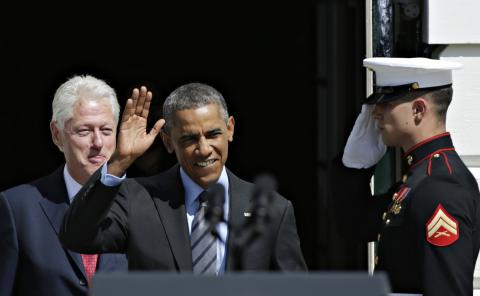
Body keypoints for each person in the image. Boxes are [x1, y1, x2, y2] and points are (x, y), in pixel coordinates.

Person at [60, 82, 307, 273]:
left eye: (213, 134)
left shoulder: (273, 209)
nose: (203, 149)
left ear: (230, 129)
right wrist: (118, 161)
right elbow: (77, 237)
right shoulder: (137, 198)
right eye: (189, 139)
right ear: (168, 141)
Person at [332, 57, 480, 295]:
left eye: (386, 102)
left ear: (418, 110)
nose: (376, 113)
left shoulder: (440, 185)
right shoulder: (419, 178)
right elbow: (355, 225)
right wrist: (354, 168)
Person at [0, 75, 128, 296]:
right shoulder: (17, 208)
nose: (98, 143)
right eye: (84, 131)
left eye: (106, 131)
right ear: (57, 134)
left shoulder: (141, 207)